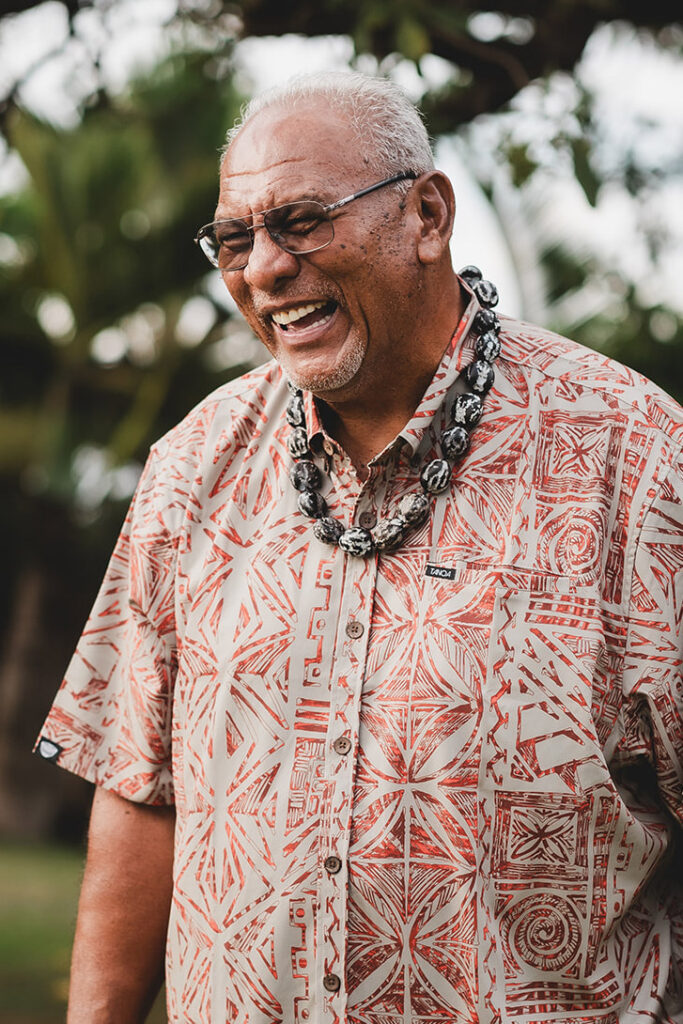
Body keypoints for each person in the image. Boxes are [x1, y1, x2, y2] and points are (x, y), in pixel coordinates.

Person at [35, 70, 683, 1024]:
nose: (263, 268)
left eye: (300, 221)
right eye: (234, 238)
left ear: (426, 215)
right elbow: (141, 786)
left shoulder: (636, 458)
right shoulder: (192, 467)